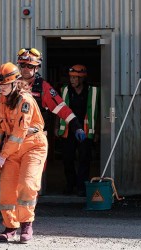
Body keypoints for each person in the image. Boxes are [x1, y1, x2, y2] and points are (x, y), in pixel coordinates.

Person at [0, 62, 48, 243]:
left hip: (33, 146)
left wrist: (3, 155)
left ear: (15, 82)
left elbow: (20, 133)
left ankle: (26, 224)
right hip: (12, 148)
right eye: (0, 84)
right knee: (7, 191)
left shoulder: (25, 101)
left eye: (5, 84)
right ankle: (10, 226)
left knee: (27, 185)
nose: (2, 87)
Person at [16, 47, 86, 193]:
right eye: (23, 65)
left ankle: (27, 211)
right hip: (14, 140)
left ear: (36, 68)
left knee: (30, 180)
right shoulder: (12, 85)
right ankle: (15, 212)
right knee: (14, 180)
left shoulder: (43, 88)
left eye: (30, 66)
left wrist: (76, 126)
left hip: (34, 141)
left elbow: (62, 108)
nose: (26, 69)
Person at [56, 64, 100, 196]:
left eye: (75, 77)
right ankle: (70, 184)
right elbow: (57, 110)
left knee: (84, 159)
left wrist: (97, 131)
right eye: (71, 77)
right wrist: (56, 127)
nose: (72, 80)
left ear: (82, 79)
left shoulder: (92, 91)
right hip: (69, 131)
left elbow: (98, 112)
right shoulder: (64, 90)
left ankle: (81, 187)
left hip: (85, 131)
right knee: (67, 159)